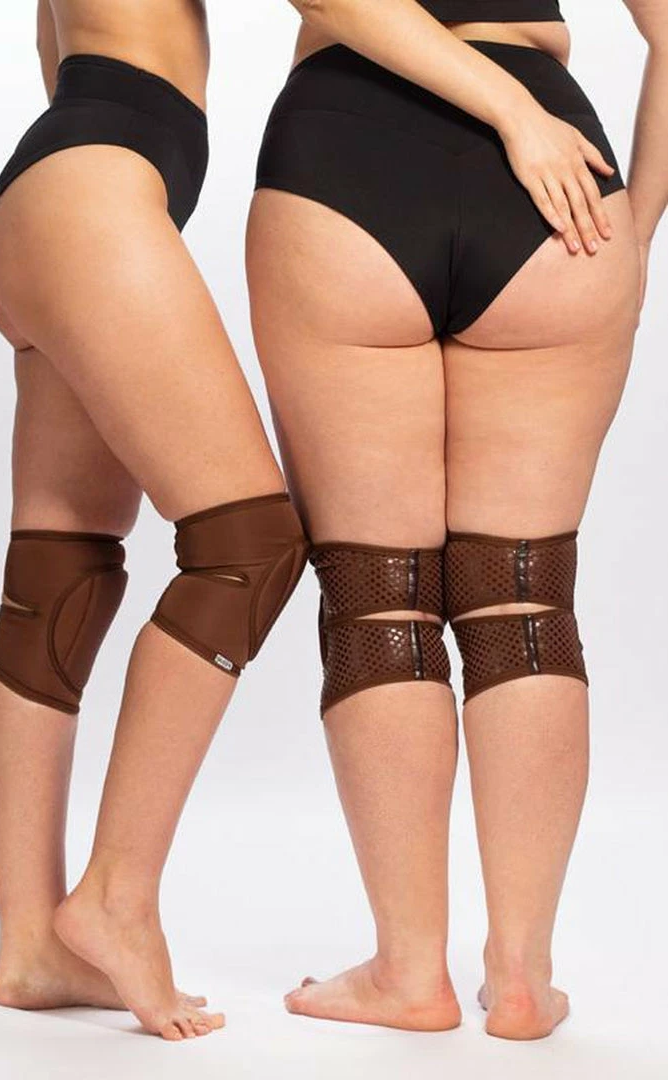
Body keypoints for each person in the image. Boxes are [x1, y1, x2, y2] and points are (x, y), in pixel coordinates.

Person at [247, 0, 667, 1041]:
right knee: (523, 595)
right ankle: (520, 977)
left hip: (347, 151)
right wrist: (635, 225)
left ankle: (407, 971)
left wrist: (510, 117)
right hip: (558, 189)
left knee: (374, 600)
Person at [0, 0, 306, 1041]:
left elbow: (52, 42)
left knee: (57, 577)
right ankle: (116, 896)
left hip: (53, 183)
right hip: (95, 187)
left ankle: (32, 950)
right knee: (249, 546)